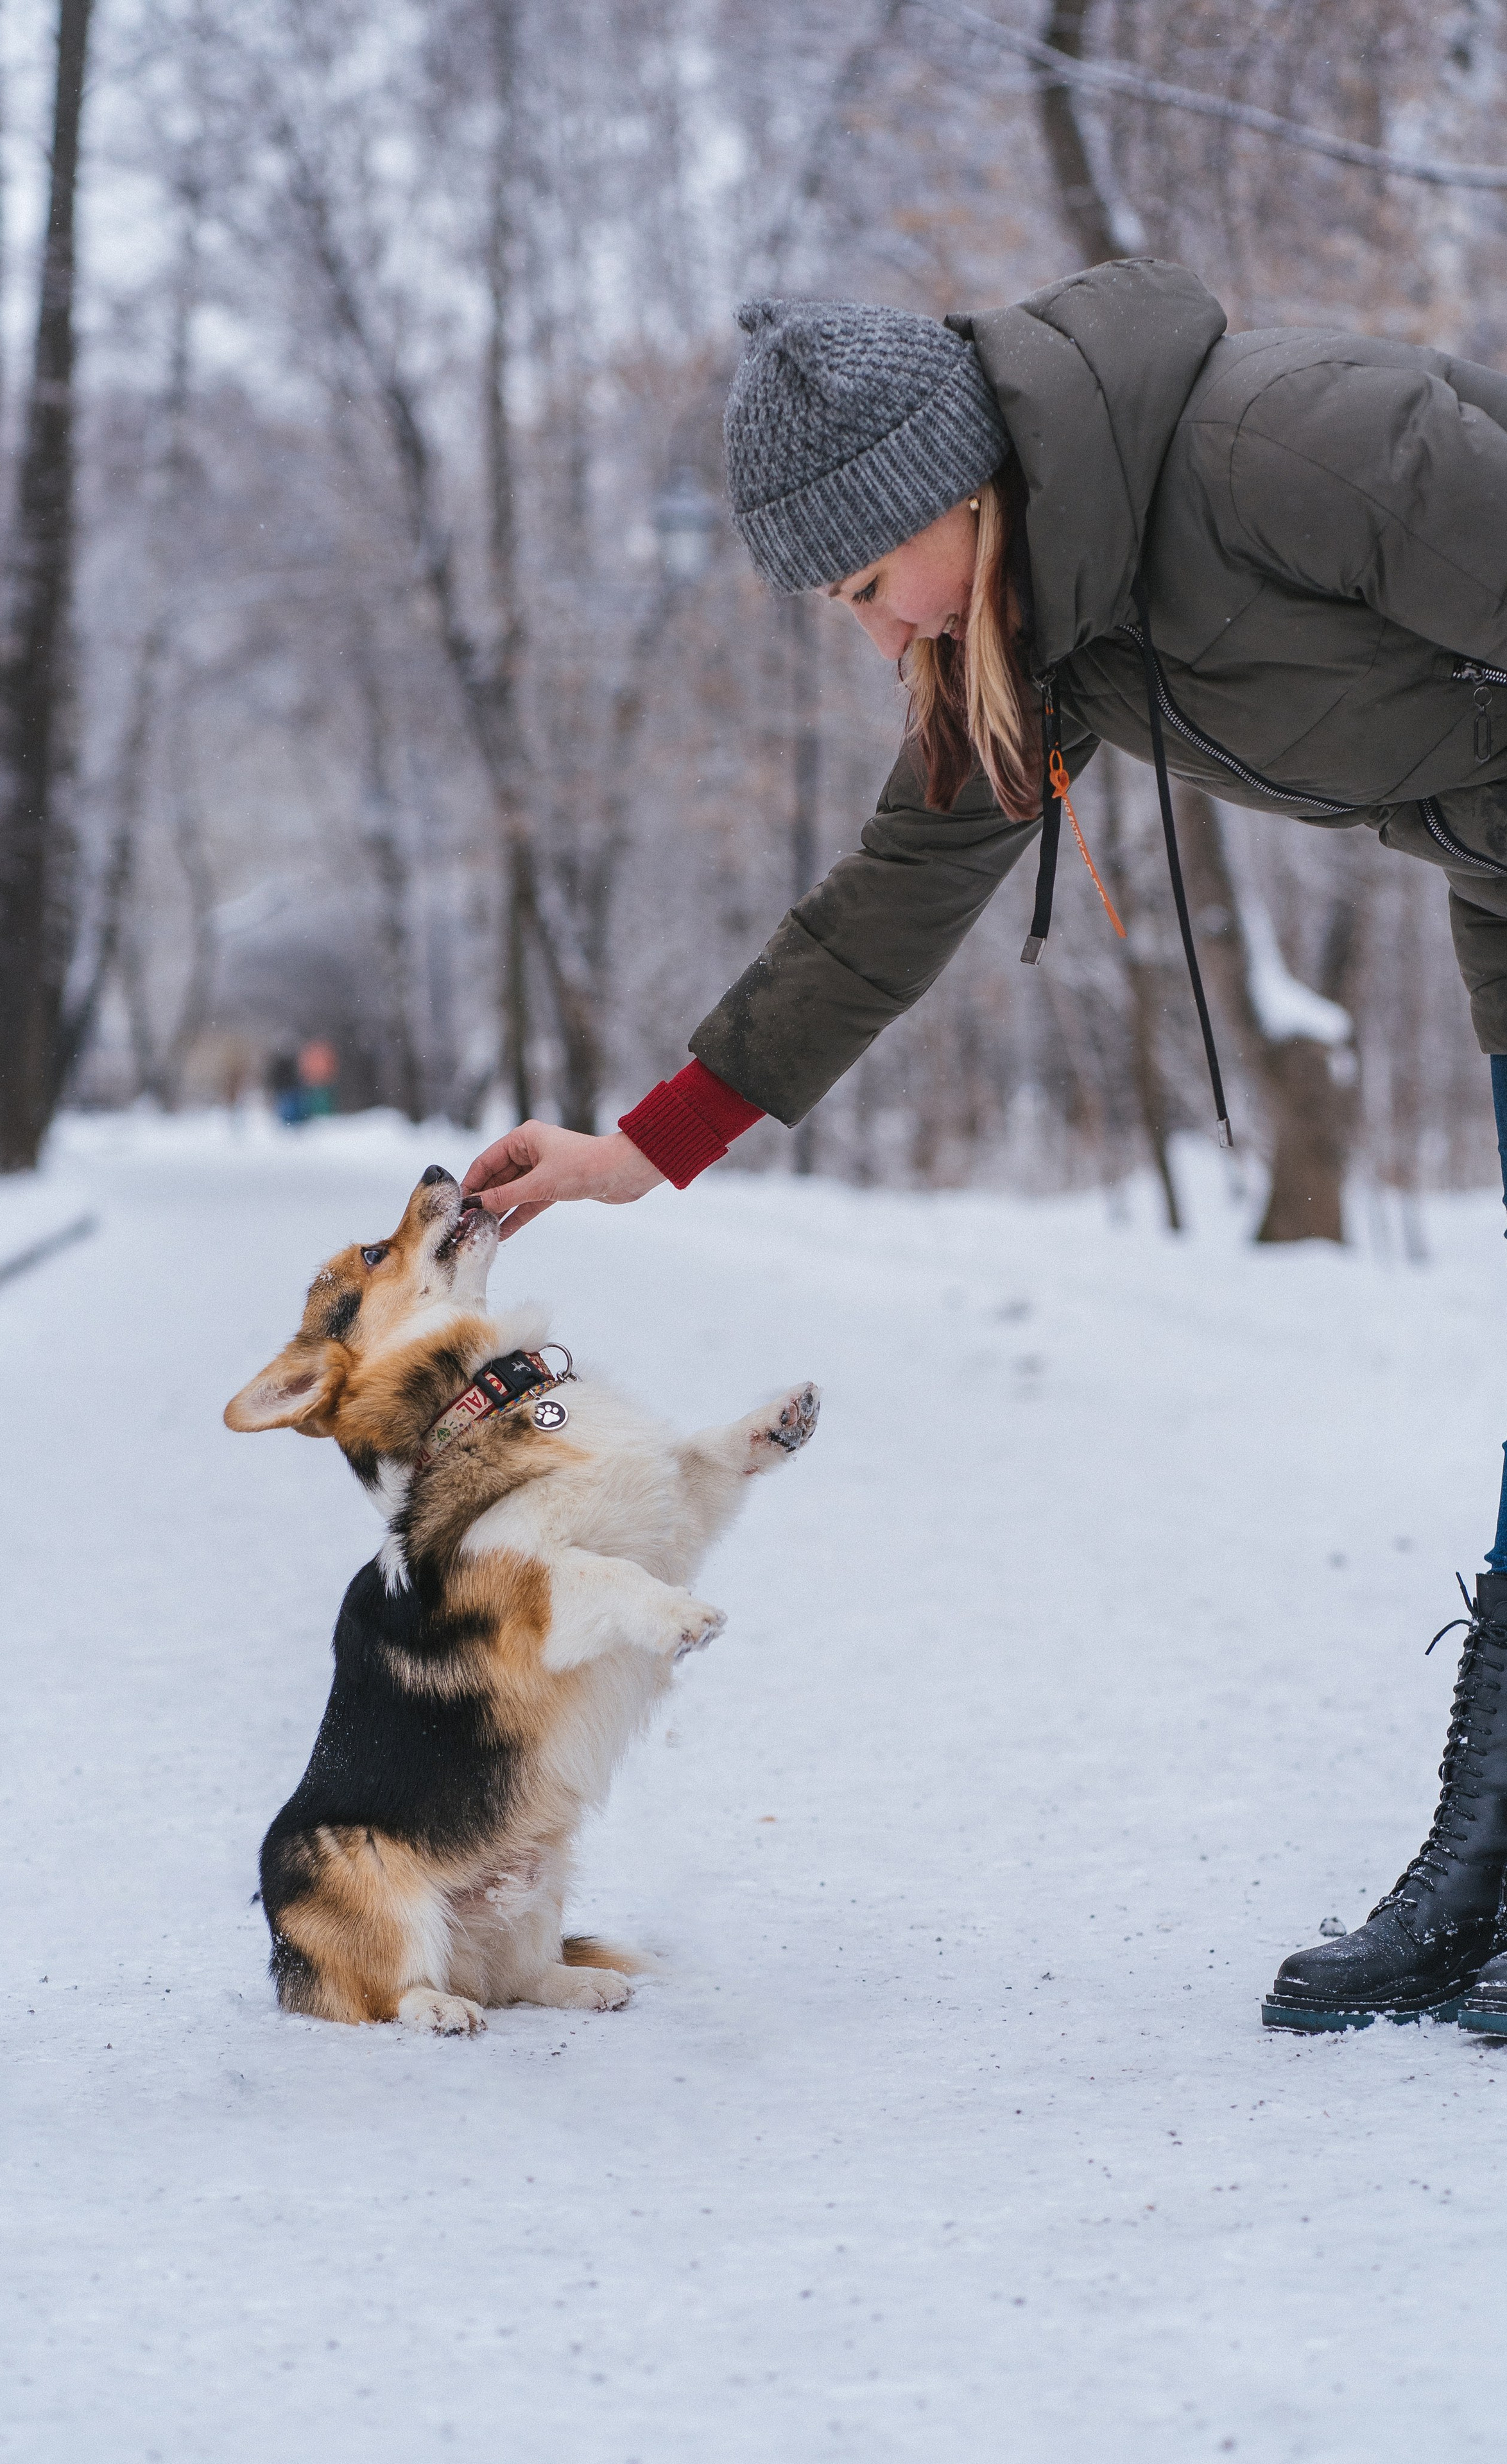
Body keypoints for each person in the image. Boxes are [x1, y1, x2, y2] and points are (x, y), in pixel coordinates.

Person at [462, 257, 1507, 2034]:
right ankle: (1483, 1867)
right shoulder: (1043, 640)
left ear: (965, 495)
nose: (878, 635)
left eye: (874, 586)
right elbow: (894, 894)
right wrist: (647, 1147)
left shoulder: (1298, 455)